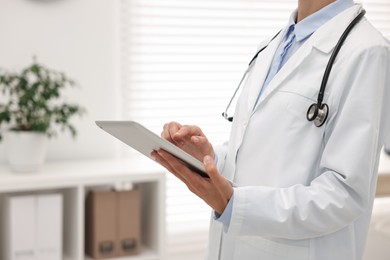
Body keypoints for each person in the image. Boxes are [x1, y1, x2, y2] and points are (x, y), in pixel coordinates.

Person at [151, 0, 390, 259]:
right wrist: (210, 158)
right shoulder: (273, 46)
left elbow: (345, 194)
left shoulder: (367, 51)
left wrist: (236, 206)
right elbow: (260, 151)